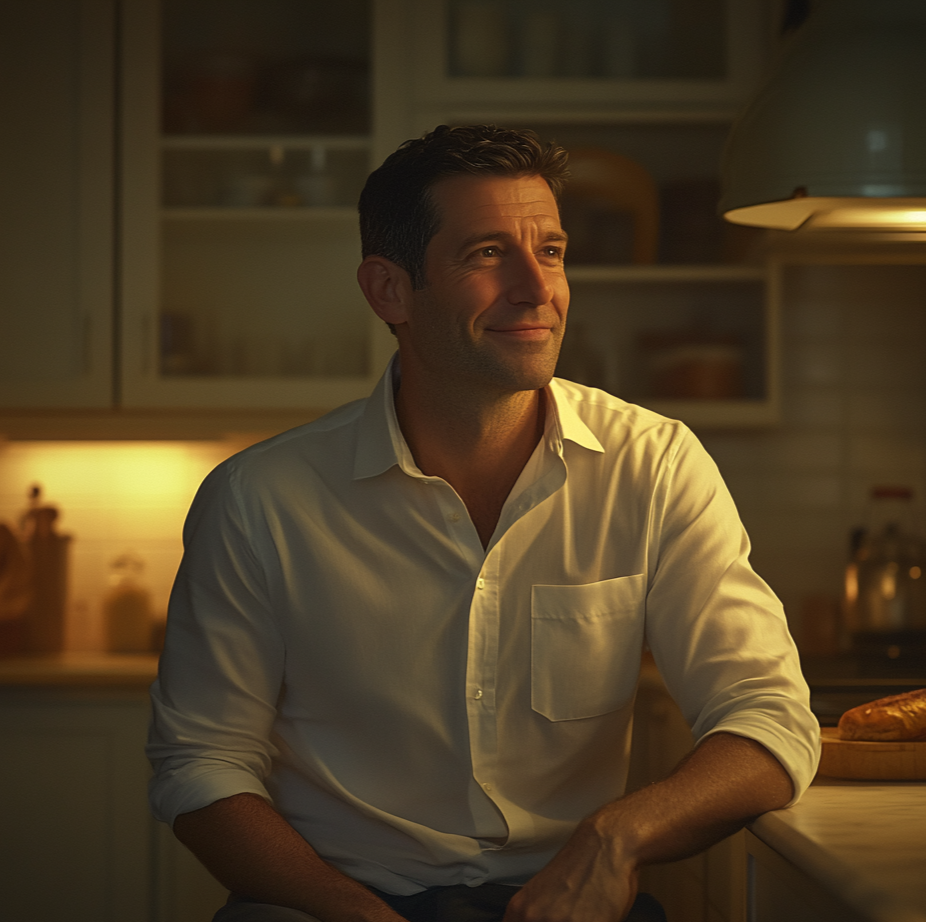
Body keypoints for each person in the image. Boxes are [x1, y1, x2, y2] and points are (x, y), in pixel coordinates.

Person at [147, 125, 820, 922]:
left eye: (553, 250)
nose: (539, 288)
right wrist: (351, 911)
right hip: (324, 906)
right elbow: (201, 765)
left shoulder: (654, 466)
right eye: (487, 254)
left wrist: (615, 837)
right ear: (389, 290)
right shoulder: (260, 500)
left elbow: (768, 716)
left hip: (562, 901)